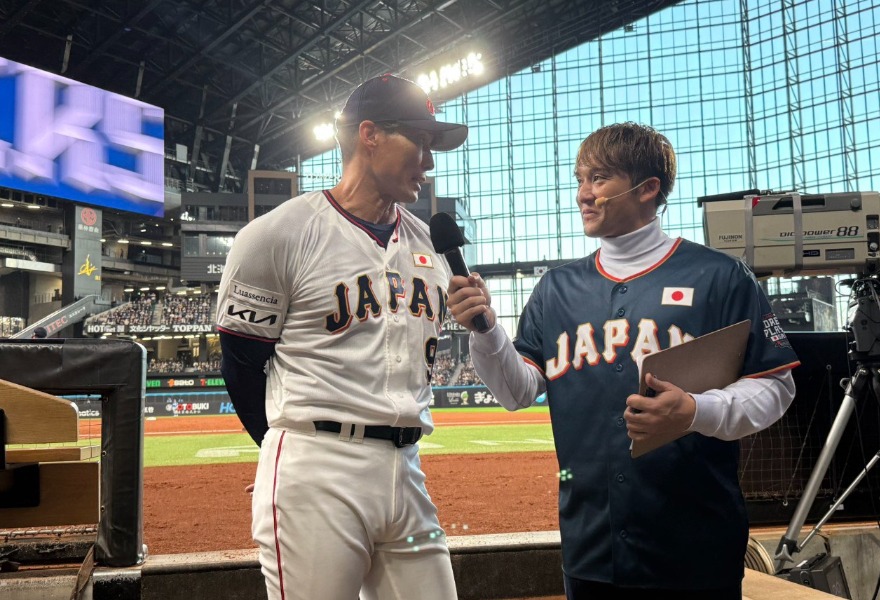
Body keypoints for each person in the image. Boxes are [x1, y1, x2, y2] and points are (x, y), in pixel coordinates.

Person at [447, 122, 800, 599]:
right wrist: (487, 331)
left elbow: (776, 385)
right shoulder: (556, 289)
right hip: (592, 544)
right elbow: (517, 392)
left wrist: (697, 412)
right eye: (578, 180)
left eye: (599, 179)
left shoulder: (719, 276)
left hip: (696, 545)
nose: (582, 194)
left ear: (648, 188)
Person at [215, 74, 467, 600]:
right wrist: (277, 452)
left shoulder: (430, 245)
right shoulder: (278, 234)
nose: (429, 159)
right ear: (369, 135)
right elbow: (240, 362)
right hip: (318, 465)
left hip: (407, 466)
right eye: (419, 142)